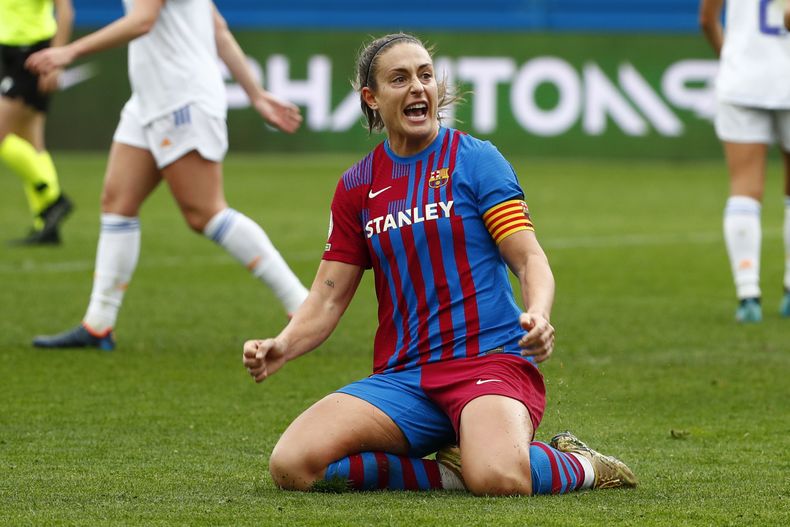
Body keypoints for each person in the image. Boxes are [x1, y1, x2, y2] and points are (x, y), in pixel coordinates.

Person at [242, 33, 638, 496]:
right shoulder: (357, 186)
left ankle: (583, 464)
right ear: (372, 97)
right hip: (404, 376)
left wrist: (539, 313)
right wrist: (283, 344)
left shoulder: (476, 161)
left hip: (489, 362)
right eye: (400, 79)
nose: (418, 87)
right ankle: (453, 471)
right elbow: (327, 298)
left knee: (499, 478)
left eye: (425, 75)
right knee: (293, 465)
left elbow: (529, 258)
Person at [27, 0, 308, 350]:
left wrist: (69, 51)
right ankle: (98, 325)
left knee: (204, 212)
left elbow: (143, 21)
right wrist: (256, 95)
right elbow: (217, 26)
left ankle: (301, 304)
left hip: (181, 99)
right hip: (149, 100)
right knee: (117, 203)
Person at [700, 0, 790, 322]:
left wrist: (731, 60)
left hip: (742, 81)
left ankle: (748, 294)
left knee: (744, 187)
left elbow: (707, 19)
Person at [0, 0, 74, 245]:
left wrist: (56, 62)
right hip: (10, 52)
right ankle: (46, 224)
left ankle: (53, 200)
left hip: (34, 54)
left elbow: (65, 11)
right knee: (31, 140)